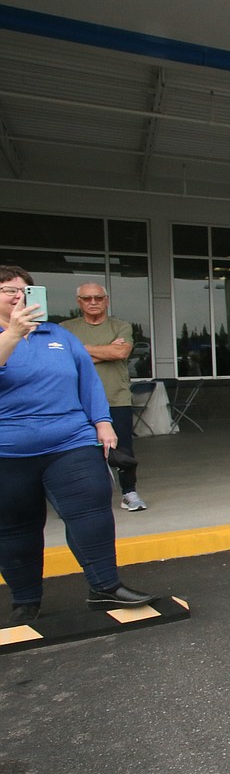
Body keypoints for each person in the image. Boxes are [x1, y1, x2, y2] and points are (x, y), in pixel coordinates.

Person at [0, 266, 157, 624]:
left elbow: (87, 380)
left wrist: (102, 422)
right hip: (7, 450)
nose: (17, 296)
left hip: (70, 439)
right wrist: (12, 334)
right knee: (15, 527)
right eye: (8, 290)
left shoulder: (59, 335)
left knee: (91, 510)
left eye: (24, 290)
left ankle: (104, 586)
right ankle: (25, 600)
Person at [61, 282, 147, 512]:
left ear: (106, 300)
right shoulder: (65, 329)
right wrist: (105, 351)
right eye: (87, 298)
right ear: (79, 302)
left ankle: (129, 493)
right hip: (77, 401)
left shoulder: (120, 326)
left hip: (115, 398)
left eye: (98, 298)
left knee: (123, 450)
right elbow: (63, 360)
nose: (93, 302)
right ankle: (82, 496)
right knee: (78, 451)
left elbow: (120, 352)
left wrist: (80, 350)